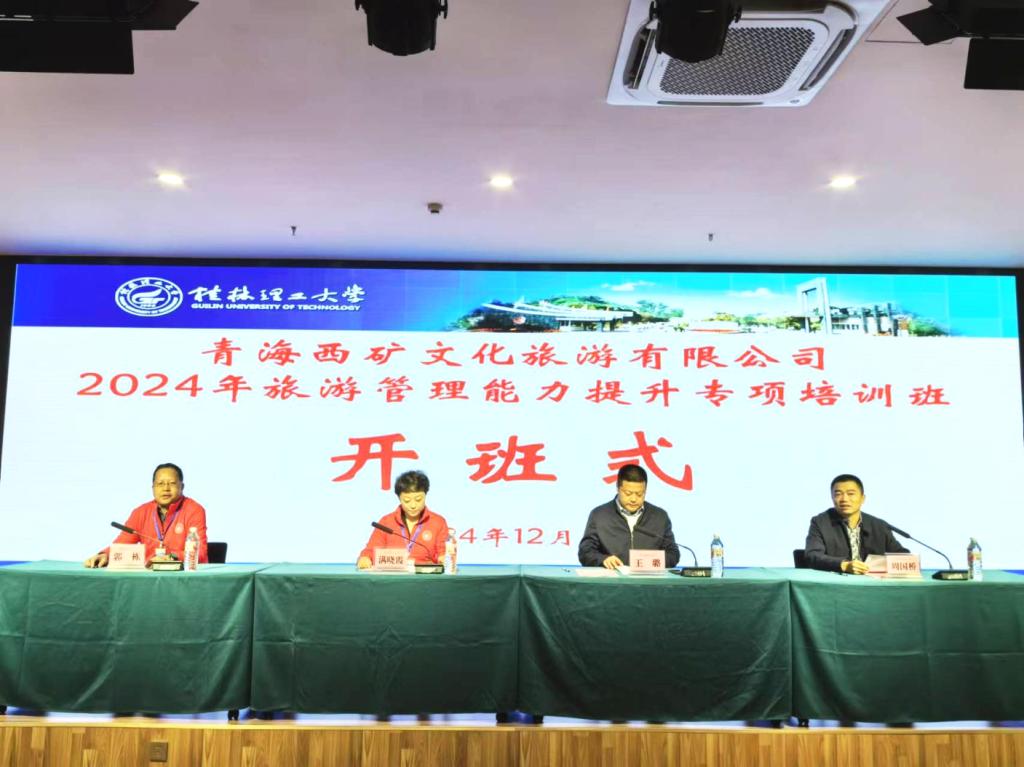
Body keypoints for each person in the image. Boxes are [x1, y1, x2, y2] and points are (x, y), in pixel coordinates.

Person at [84, 463, 209, 568]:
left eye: (171, 483)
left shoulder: (194, 510)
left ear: (182, 487)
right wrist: (105, 555)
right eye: (160, 484)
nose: (166, 488)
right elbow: (122, 545)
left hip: (182, 576)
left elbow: (200, 554)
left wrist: (171, 556)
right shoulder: (141, 512)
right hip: (149, 576)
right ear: (153, 488)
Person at [578, 463, 680, 569]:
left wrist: (649, 562)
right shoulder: (599, 515)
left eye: (640, 494)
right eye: (628, 493)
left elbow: (673, 554)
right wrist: (603, 559)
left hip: (648, 578)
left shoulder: (660, 517)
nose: (634, 499)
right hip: (612, 577)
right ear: (618, 488)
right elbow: (585, 552)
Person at [804, 473, 908, 574]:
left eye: (850, 494)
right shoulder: (820, 522)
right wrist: (843, 565)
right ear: (832, 498)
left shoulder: (879, 526)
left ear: (862, 498)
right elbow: (812, 556)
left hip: (872, 583)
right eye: (838, 494)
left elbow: (903, 556)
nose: (844, 499)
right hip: (838, 582)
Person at [357, 470, 449, 569]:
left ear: (425, 495)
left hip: (425, 576)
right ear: (399, 498)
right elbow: (371, 550)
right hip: (393, 576)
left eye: (418, 499)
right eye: (407, 501)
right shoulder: (386, 522)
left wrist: (444, 558)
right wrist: (365, 558)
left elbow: (443, 553)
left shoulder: (438, 522)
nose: (413, 505)